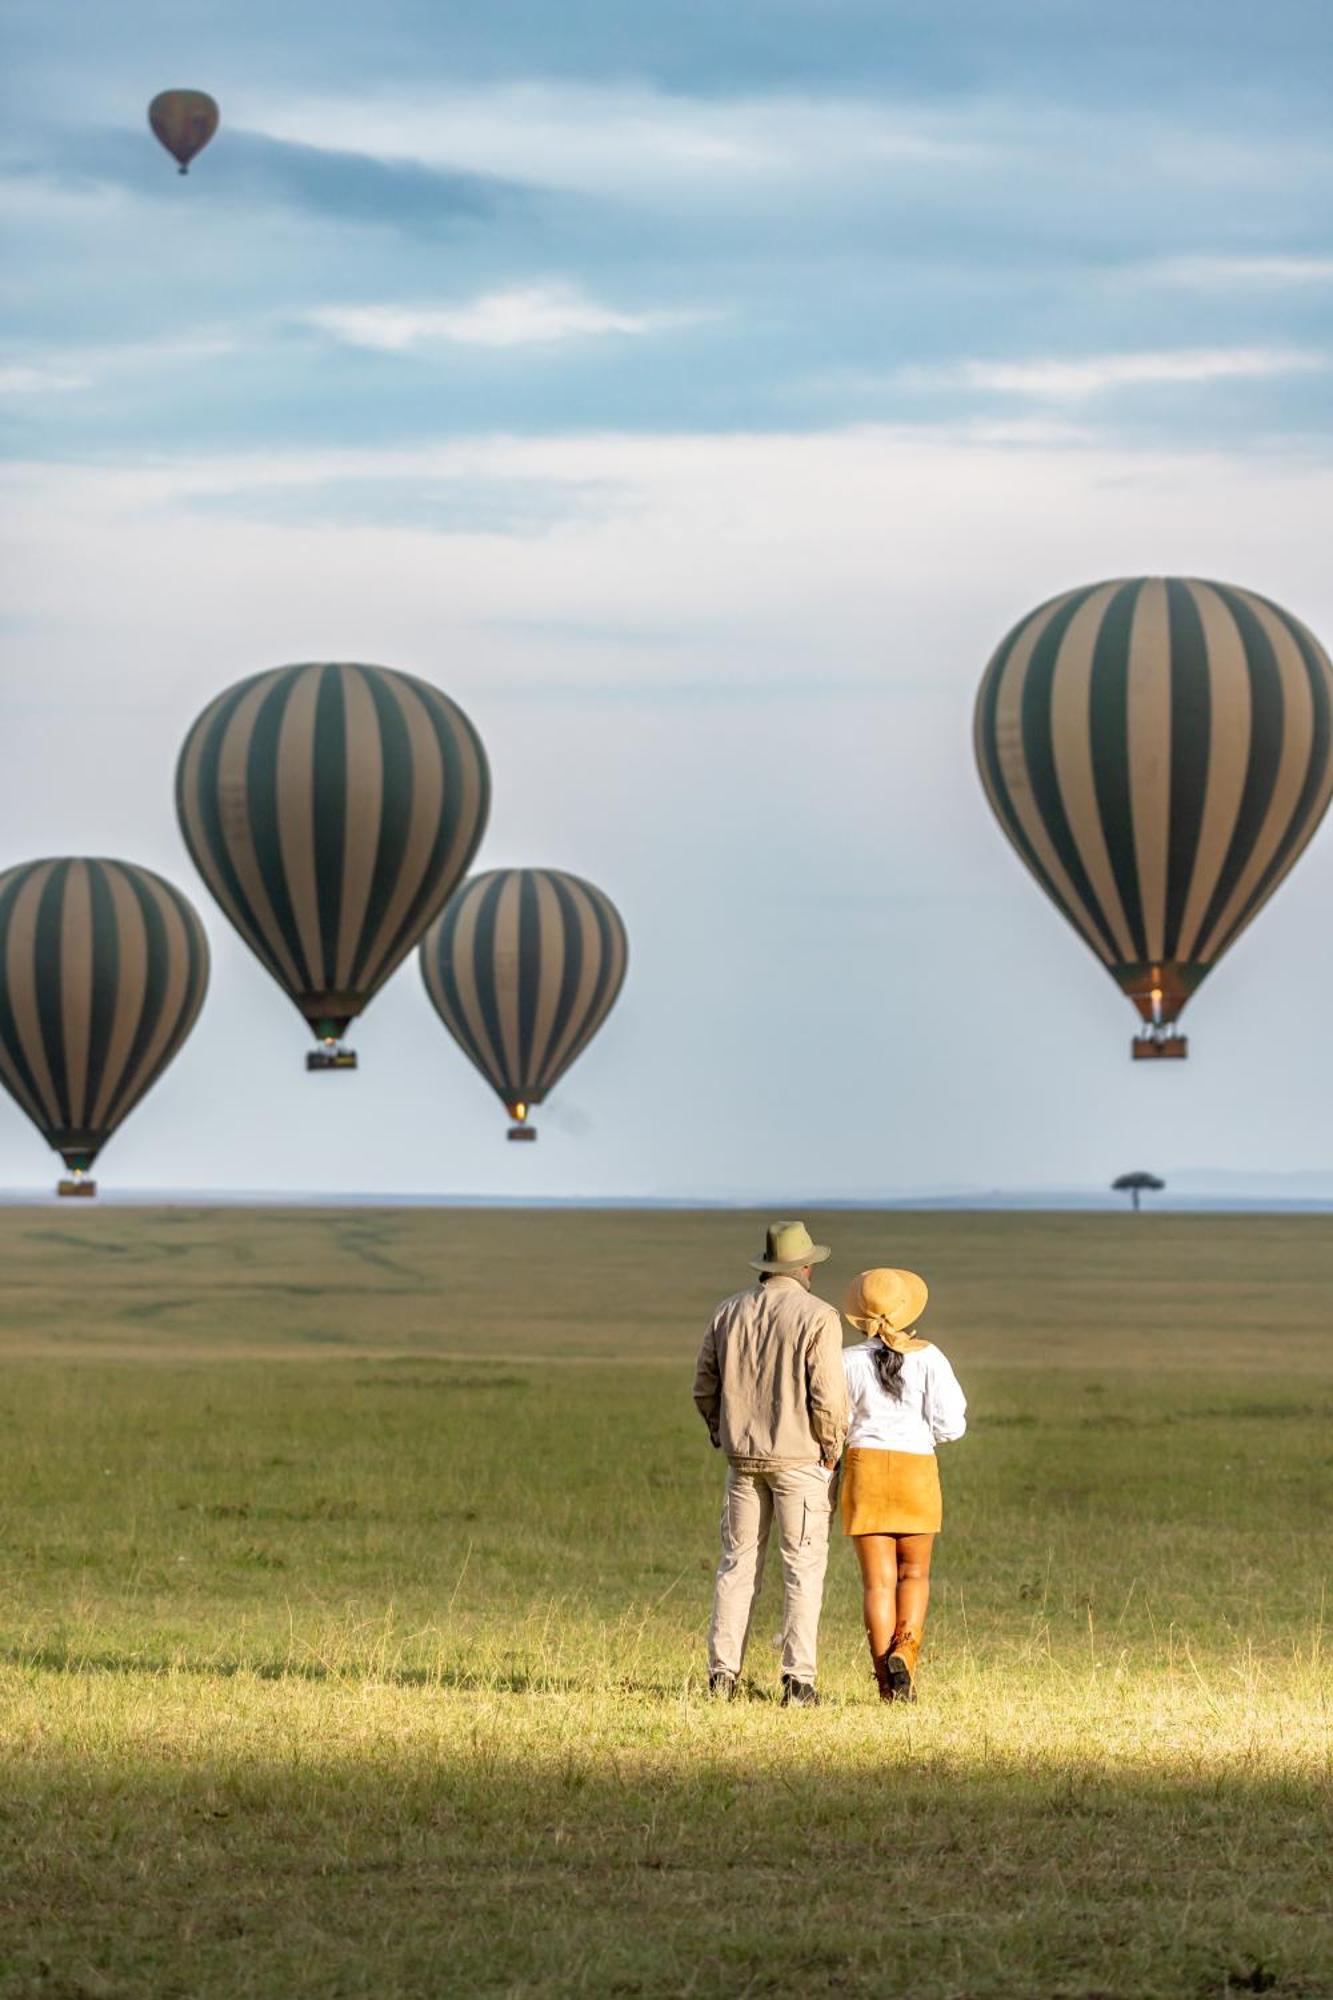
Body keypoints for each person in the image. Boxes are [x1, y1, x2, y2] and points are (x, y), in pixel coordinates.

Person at [693, 1220, 847, 1707]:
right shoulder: (819, 1316)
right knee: (802, 1567)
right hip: (800, 1459)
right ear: (804, 1267)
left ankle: (722, 1676)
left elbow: (704, 1385)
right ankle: (798, 1682)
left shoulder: (727, 1312)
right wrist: (831, 1449)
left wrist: (722, 1429)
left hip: (742, 1460)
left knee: (736, 1566)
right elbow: (827, 1397)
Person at [838, 1268, 967, 1703]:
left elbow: (834, 1423)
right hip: (916, 1469)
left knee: (878, 1584)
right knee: (916, 1575)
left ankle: (886, 1689)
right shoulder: (930, 1358)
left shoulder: (846, 1360)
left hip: (864, 1469)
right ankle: (906, 1657)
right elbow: (951, 1426)